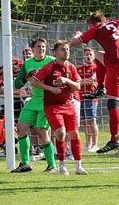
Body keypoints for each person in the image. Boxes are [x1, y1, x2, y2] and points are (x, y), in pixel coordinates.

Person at [69, 10, 119, 153]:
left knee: (113, 103)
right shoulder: (118, 22)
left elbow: (73, 43)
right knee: (99, 55)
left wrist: (77, 36)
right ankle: (100, 87)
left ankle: (114, 140)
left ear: (92, 24)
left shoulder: (96, 28)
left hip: (117, 67)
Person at [30, 40, 87, 175]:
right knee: (60, 133)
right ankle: (62, 165)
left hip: (68, 104)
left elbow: (78, 87)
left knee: (75, 133)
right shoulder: (49, 67)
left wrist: (66, 80)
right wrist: (50, 88)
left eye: (67, 49)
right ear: (55, 53)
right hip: (52, 106)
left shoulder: (71, 67)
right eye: (62, 49)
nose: (66, 51)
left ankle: (79, 166)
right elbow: (34, 82)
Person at [11, 38, 56, 172]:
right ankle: (25, 163)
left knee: (42, 132)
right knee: (20, 128)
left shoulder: (52, 61)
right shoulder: (28, 63)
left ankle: (52, 165)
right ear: (32, 49)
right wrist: (26, 77)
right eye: (38, 46)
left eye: (43, 46)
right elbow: (17, 84)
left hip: (47, 100)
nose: (41, 49)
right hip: (34, 100)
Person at [76, 48, 99, 152]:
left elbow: (92, 81)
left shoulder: (96, 68)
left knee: (91, 120)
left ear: (93, 56)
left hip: (91, 98)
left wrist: (82, 81)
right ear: (83, 56)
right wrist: (82, 82)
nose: (88, 56)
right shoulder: (79, 69)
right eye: (86, 54)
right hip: (80, 98)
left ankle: (95, 144)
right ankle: (88, 143)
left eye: (90, 54)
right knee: (85, 122)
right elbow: (76, 82)